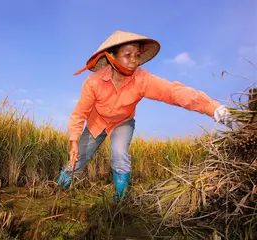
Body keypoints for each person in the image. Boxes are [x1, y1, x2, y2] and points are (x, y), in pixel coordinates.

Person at [57, 30, 233, 201]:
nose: (134, 61)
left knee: (119, 154)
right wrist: (74, 141)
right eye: (128, 55)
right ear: (112, 57)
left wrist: (212, 108)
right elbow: (80, 113)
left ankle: (120, 201)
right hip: (97, 122)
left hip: (122, 123)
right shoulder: (94, 82)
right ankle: (59, 189)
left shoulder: (142, 80)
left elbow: (173, 92)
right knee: (80, 156)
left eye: (137, 55)